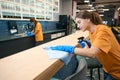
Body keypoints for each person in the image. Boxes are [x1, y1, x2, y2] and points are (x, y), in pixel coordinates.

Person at [49, 11, 120, 80]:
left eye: (79, 22)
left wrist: (69, 49)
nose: (78, 25)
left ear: (88, 19)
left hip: (117, 71)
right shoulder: (91, 32)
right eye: (77, 23)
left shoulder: (103, 30)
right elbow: (96, 51)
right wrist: (88, 47)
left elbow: (91, 53)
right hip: (108, 68)